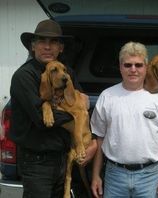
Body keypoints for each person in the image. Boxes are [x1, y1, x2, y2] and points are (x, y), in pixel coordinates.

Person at [9, 19, 97, 198]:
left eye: (53, 42)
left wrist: (93, 142)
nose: (47, 47)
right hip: (37, 163)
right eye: (42, 41)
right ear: (33, 46)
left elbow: (82, 105)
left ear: (61, 48)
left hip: (65, 159)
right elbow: (42, 120)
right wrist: (74, 113)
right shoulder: (24, 76)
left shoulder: (67, 73)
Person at [90, 41, 158, 198]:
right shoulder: (107, 96)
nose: (133, 69)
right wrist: (96, 175)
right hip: (114, 176)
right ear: (120, 67)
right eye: (128, 65)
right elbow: (100, 138)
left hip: (149, 177)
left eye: (138, 65)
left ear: (146, 67)